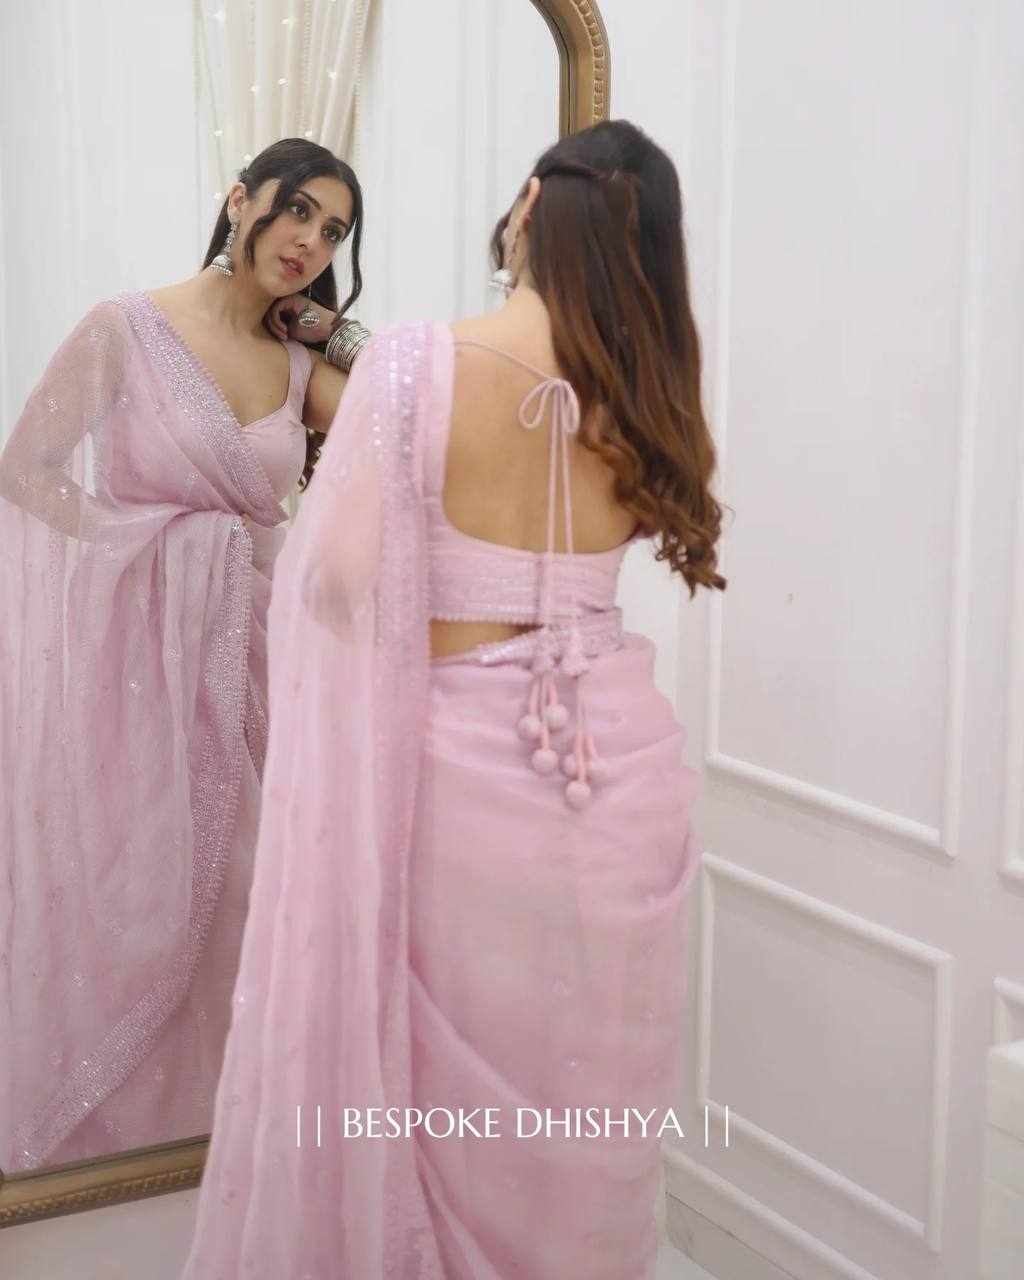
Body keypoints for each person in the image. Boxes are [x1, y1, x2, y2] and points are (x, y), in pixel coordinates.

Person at [180, 119, 724, 1279]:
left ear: (529, 207)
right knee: (580, 1084)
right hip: (616, 771)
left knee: (431, 1099)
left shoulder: (419, 364)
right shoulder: (647, 388)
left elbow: (331, 581)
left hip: (461, 774)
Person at [0, 137, 370, 1172]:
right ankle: (122, 1147)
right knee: (142, 891)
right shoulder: (125, 329)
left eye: (333, 230)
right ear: (240, 199)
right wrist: (138, 551)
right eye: (296, 210)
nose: (309, 240)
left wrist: (337, 332)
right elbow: (26, 469)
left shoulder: (297, 361)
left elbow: (405, 424)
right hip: (140, 666)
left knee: (259, 891)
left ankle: (235, 1148)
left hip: (267, 657)